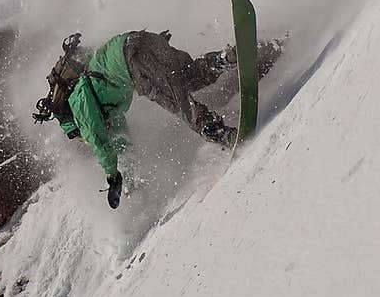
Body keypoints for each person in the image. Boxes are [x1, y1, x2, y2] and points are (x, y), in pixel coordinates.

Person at [33, 29, 281, 208]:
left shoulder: (79, 108)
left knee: (179, 104)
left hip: (134, 61)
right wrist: (130, 177)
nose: (83, 140)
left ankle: (223, 134)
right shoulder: (94, 94)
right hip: (139, 42)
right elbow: (119, 141)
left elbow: (99, 141)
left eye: (79, 138)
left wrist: (112, 176)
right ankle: (225, 59)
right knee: (188, 76)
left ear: (73, 128)